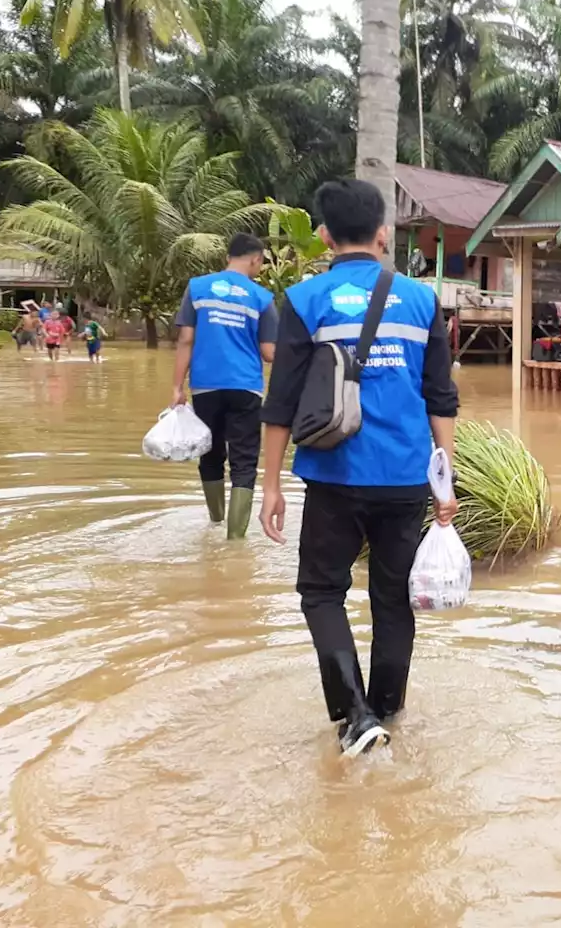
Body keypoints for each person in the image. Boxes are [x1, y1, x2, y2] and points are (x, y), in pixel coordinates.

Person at [258, 179, 459, 758]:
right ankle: (388, 709)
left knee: (321, 591)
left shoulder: (303, 300)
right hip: (405, 479)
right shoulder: (422, 301)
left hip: (333, 477)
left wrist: (271, 483)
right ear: (383, 234)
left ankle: (355, 716)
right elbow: (440, 397)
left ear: (323, 236)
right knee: (393, 598)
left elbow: (282, 403)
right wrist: (443, 482)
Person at [171, 233, 277, 539]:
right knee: (244, 460)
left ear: (228, 256)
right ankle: (235, 538)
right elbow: (270, 353)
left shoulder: (198, 288)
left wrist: (177, 387)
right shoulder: (262, 298)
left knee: (210, 452)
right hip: (246, 387)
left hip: (205, 385)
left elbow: (185, 340)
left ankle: (215, 520)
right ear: (255, 259)